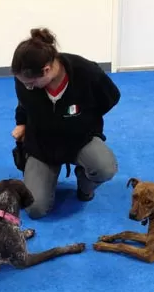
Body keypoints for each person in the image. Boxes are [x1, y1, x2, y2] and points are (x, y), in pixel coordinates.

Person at [11, 28, 120, 219]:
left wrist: (84, 121)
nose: (27, 86)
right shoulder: (24, 78)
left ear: (46, 70)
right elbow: (24, 103)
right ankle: (43, 175)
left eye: (30, 83)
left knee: (105, 168)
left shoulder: (87, 72)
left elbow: (111, 97)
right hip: (42, 145)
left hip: (80, 140)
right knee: (35, 209)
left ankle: (84, 183)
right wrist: (22, 123)